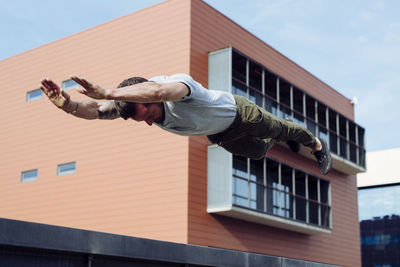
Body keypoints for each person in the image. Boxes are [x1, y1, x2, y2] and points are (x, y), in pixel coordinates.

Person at [40, 73, 332, 175]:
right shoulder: (130, 104)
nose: (151, 124)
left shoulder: (175, 87)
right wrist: (67, 105)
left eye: (150, 116)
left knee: (281, 129)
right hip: (220, 134)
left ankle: (318, 145)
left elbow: (158, 92)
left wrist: (109, 92)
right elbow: (95, 111)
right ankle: (273, 142)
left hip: (240, 114)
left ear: (149, 101)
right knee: (257, 153)